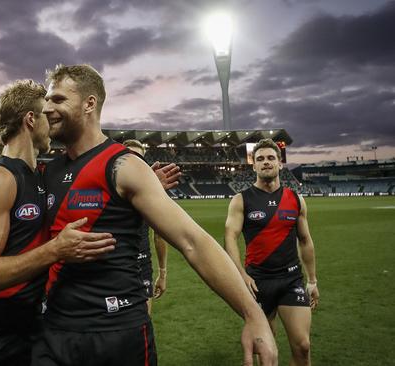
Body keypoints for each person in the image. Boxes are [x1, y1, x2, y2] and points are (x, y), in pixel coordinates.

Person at [31, 64, 278, 366]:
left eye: (57, 100)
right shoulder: (47, 173)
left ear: (89, 103)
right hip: (54, 332)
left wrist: (253, 315)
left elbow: (192, 241)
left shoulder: (124, 166)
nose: (47, 108)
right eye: (46, 100)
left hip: (118, 336)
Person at [0, 79, 120, 366]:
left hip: (28, 325)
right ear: (30, 120)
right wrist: (55, 250)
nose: (52, 122)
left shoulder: (38, 175)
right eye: (46, 116)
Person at [224, 138, 319, 366]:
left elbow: (305, 240)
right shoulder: (241, 200)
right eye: (260, 159)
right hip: (257, 282)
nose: (266, 162)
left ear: (280, 163)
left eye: (270, 158)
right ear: (253, 166)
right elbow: (230, 238)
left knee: (303, 347)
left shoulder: (296, 199)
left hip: (291, 279)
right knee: (265, 353)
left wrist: (313, 280)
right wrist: (241, 275)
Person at [121, 139, 172, 313]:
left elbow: (160, 235)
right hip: (114, 267)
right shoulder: (109, 190)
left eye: (139, 159)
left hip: (142, 266)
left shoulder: (151, 194)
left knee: (143, 322)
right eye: (129, 157)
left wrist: (163, 274)